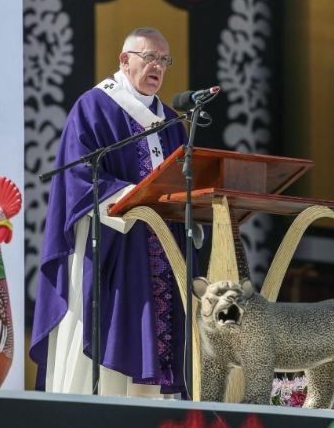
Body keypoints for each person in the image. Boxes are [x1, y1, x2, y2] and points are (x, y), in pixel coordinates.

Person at [30, 27, 196, 398]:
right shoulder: (94, 107)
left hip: (161, 252)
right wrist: (131, 200)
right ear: (125, 59)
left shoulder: (171, 122)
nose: (158, 67)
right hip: (110, 245)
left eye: (164, 61)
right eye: (150, 57)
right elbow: (78, 176)